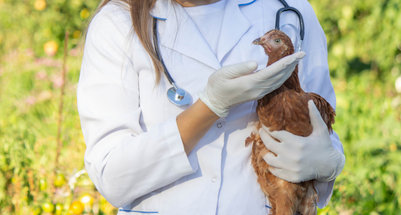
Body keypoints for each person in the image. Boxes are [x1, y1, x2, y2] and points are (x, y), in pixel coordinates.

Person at [77, 0, 345, 214]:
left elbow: (321, 130)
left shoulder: (290, 11)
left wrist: (329, 164)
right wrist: (210, 107)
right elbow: (112, 176)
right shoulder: (116, 23)